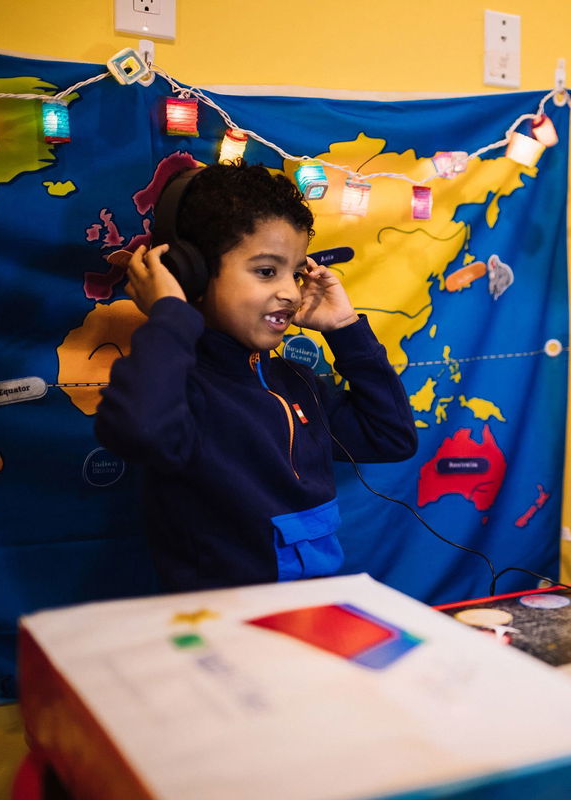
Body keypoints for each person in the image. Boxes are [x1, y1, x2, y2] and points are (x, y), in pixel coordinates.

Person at [95, 161, 417, 593]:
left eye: (296, 272)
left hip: (307, 614)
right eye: (267, 271)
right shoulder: (181, 383)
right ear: (189, 274)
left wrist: (346, 329)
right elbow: (141, 432)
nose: (289, 291)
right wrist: (171, 314)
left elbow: (391, 436)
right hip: (222, 628)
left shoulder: (295, 380)